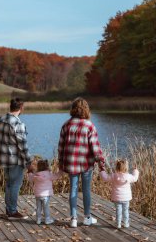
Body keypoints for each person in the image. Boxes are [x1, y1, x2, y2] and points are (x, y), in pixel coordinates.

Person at [58, 97, 105, 228]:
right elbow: (95, 148)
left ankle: (73, 218)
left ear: (72, 109)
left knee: (72, 189)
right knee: (86, 190)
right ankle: (87, 217)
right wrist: (101, 163)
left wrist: (60, 162)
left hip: (71, 163)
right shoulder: (89, 125)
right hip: (86, 164)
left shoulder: (66, 125)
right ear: (86, 109)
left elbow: (61, 146)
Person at [0, 98, 33, 219]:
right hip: (15, 160)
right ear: (21, 108)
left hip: (4, 158)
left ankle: (9, 210)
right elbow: (22, 146)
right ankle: (12, 211)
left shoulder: (0, 120)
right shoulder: (18, 124)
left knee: (9, 184)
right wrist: (29, 163)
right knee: (15, 185)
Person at [100, 159, 139, 229]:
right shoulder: (129, 176)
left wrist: (102, 170)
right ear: (126, 168)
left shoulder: (114, 176)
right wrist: (135, 170)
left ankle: (118, 224)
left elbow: (105, 178)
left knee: (118, 211)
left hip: (117, 198)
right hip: (126, 198)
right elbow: (135, 178)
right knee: (125, 211)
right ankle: (126, 223)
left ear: (117, 167)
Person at [28, 159, 63, 225]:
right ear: (47, 166)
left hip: (38, 194)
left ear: (38, 167)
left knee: (38, 207)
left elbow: (30, 176)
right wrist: (61, 170)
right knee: (46, 207)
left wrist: (30, 171)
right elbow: (57, 176)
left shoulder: (36, 175)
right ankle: (47, 219)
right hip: (46, 195)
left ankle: (38, 219)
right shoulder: (49, 175)